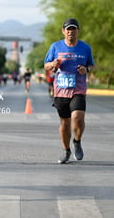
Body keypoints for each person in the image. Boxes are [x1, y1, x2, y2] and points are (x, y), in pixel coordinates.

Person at [44, 18, 94, 164]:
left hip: (78, 89)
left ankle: (77, 141)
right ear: (63, 31)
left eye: (73, 29)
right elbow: (46, 66)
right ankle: (66, 151)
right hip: (60, 91)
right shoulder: (55, 47)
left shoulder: (85, 48)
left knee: (78, 117)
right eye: (68, 29)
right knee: (65, 123)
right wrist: (53, 64)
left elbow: (91, 65)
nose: (71, 32)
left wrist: (87, 70)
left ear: (78, 31)